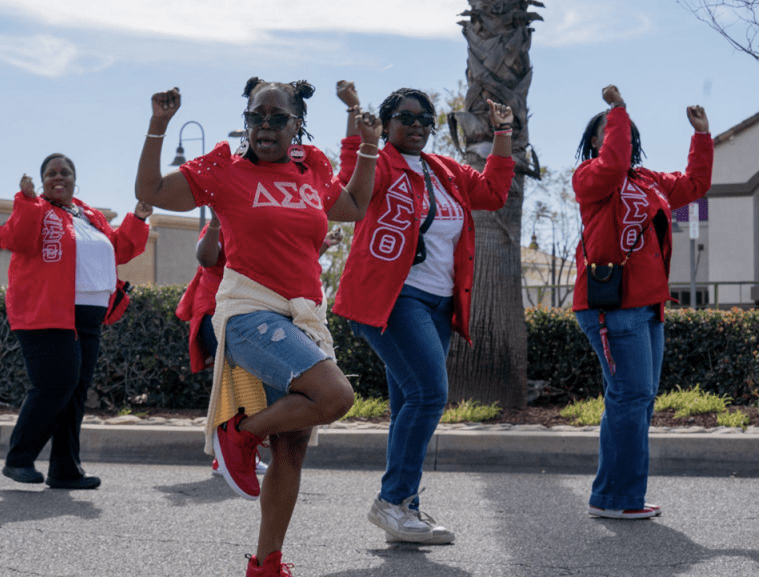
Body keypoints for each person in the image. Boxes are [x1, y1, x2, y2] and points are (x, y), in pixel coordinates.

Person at [136, 80, 381, 577]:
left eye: (277, 117)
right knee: (335, 396)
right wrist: (159, 126)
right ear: (246, 121)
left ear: (297, 124)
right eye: (256, 117)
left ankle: (266, 564)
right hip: (249, 314)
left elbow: (353, 208)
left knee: (291, 449)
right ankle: (241, 434)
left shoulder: (312, 166)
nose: (265, 126)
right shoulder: (225, 164)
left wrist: (371, 148)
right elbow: (151, 192)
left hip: (304, 317)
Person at [332, 81, 516, 544]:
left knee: (408, 404)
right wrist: (357, 122)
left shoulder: (445, 170)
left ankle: (405, 508)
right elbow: (351, 187)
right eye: (405, 118)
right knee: (431, 395)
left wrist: (503, 134)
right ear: (388, 122)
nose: (415, 126)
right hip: (394, 298)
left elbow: (493, 193)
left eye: (424, 120)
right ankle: (392, 502)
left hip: (439, 303)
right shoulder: (381, 161)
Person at [572, 85, 712, 520]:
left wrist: (701, 137)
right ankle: (615, 498)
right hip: (611, 306)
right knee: (630, 396)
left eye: (629, 130)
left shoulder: (648, 181)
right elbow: (613, 166)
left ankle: (613, 496)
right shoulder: (590, 177)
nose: (623, 136)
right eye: (614, 130)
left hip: (648, 307)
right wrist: (616, 109)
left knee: (637, 399)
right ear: (598, 140)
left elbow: (695, 184)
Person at [0, 153, 151, 490]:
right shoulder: (37, 209)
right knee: (57, 384)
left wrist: (138, 217)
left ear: (74, 179)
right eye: (51, 172)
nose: (59, 177)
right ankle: (19, 458)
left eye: (65, 172)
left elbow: (119, 249)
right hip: (48, 312)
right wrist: (24, 199)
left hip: (89, 315)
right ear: (42, 181)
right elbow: (18, 239)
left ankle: (66, 469)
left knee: (76, 391)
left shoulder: (89, 215)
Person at [177, 212, 342, 477]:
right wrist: (218, 221)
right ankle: (234, 445)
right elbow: (206, 259)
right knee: (238, 382)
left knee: (272, 400)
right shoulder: (230, 217)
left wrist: (322, 245)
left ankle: (243, 445)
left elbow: (292, 266)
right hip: (226, 312)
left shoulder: (272, 223)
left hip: (266, 313)